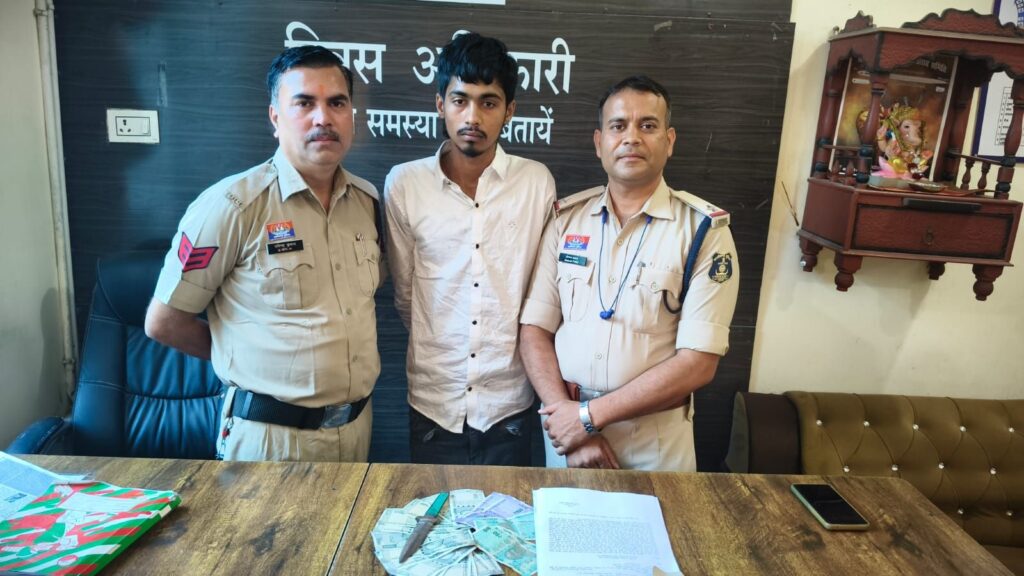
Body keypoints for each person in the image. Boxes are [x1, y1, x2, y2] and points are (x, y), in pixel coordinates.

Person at [144, 46, 382, 462]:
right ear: (275, 117)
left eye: (337, 103)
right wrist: (239, 356)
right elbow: (164, 323)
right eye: (304, 103)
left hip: (357, 431)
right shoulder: (232, 206)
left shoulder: (367, 202)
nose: (323, 118)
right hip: (270, 440)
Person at [519, 75, 739, 471]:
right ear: (599, 142)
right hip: (566, 439)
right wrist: (570, 423)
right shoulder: (565, 221)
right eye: (618, 126)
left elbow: (698, 362)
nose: (631, 137)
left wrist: (588, 418)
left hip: (654, 446)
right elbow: (534, 330)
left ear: (669, 141)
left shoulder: (703, 232)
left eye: (647, 125)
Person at [383, 32, 556, 465]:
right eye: (459, 100)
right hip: (433, 401)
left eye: (488, 102)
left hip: (509, 402)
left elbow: (540, 295)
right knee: (435, 509)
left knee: (509, 511)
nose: (472, 116)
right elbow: (406, 294)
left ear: (509, 111)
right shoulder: (405, 184)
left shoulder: (536, 183)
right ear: (440, 104)